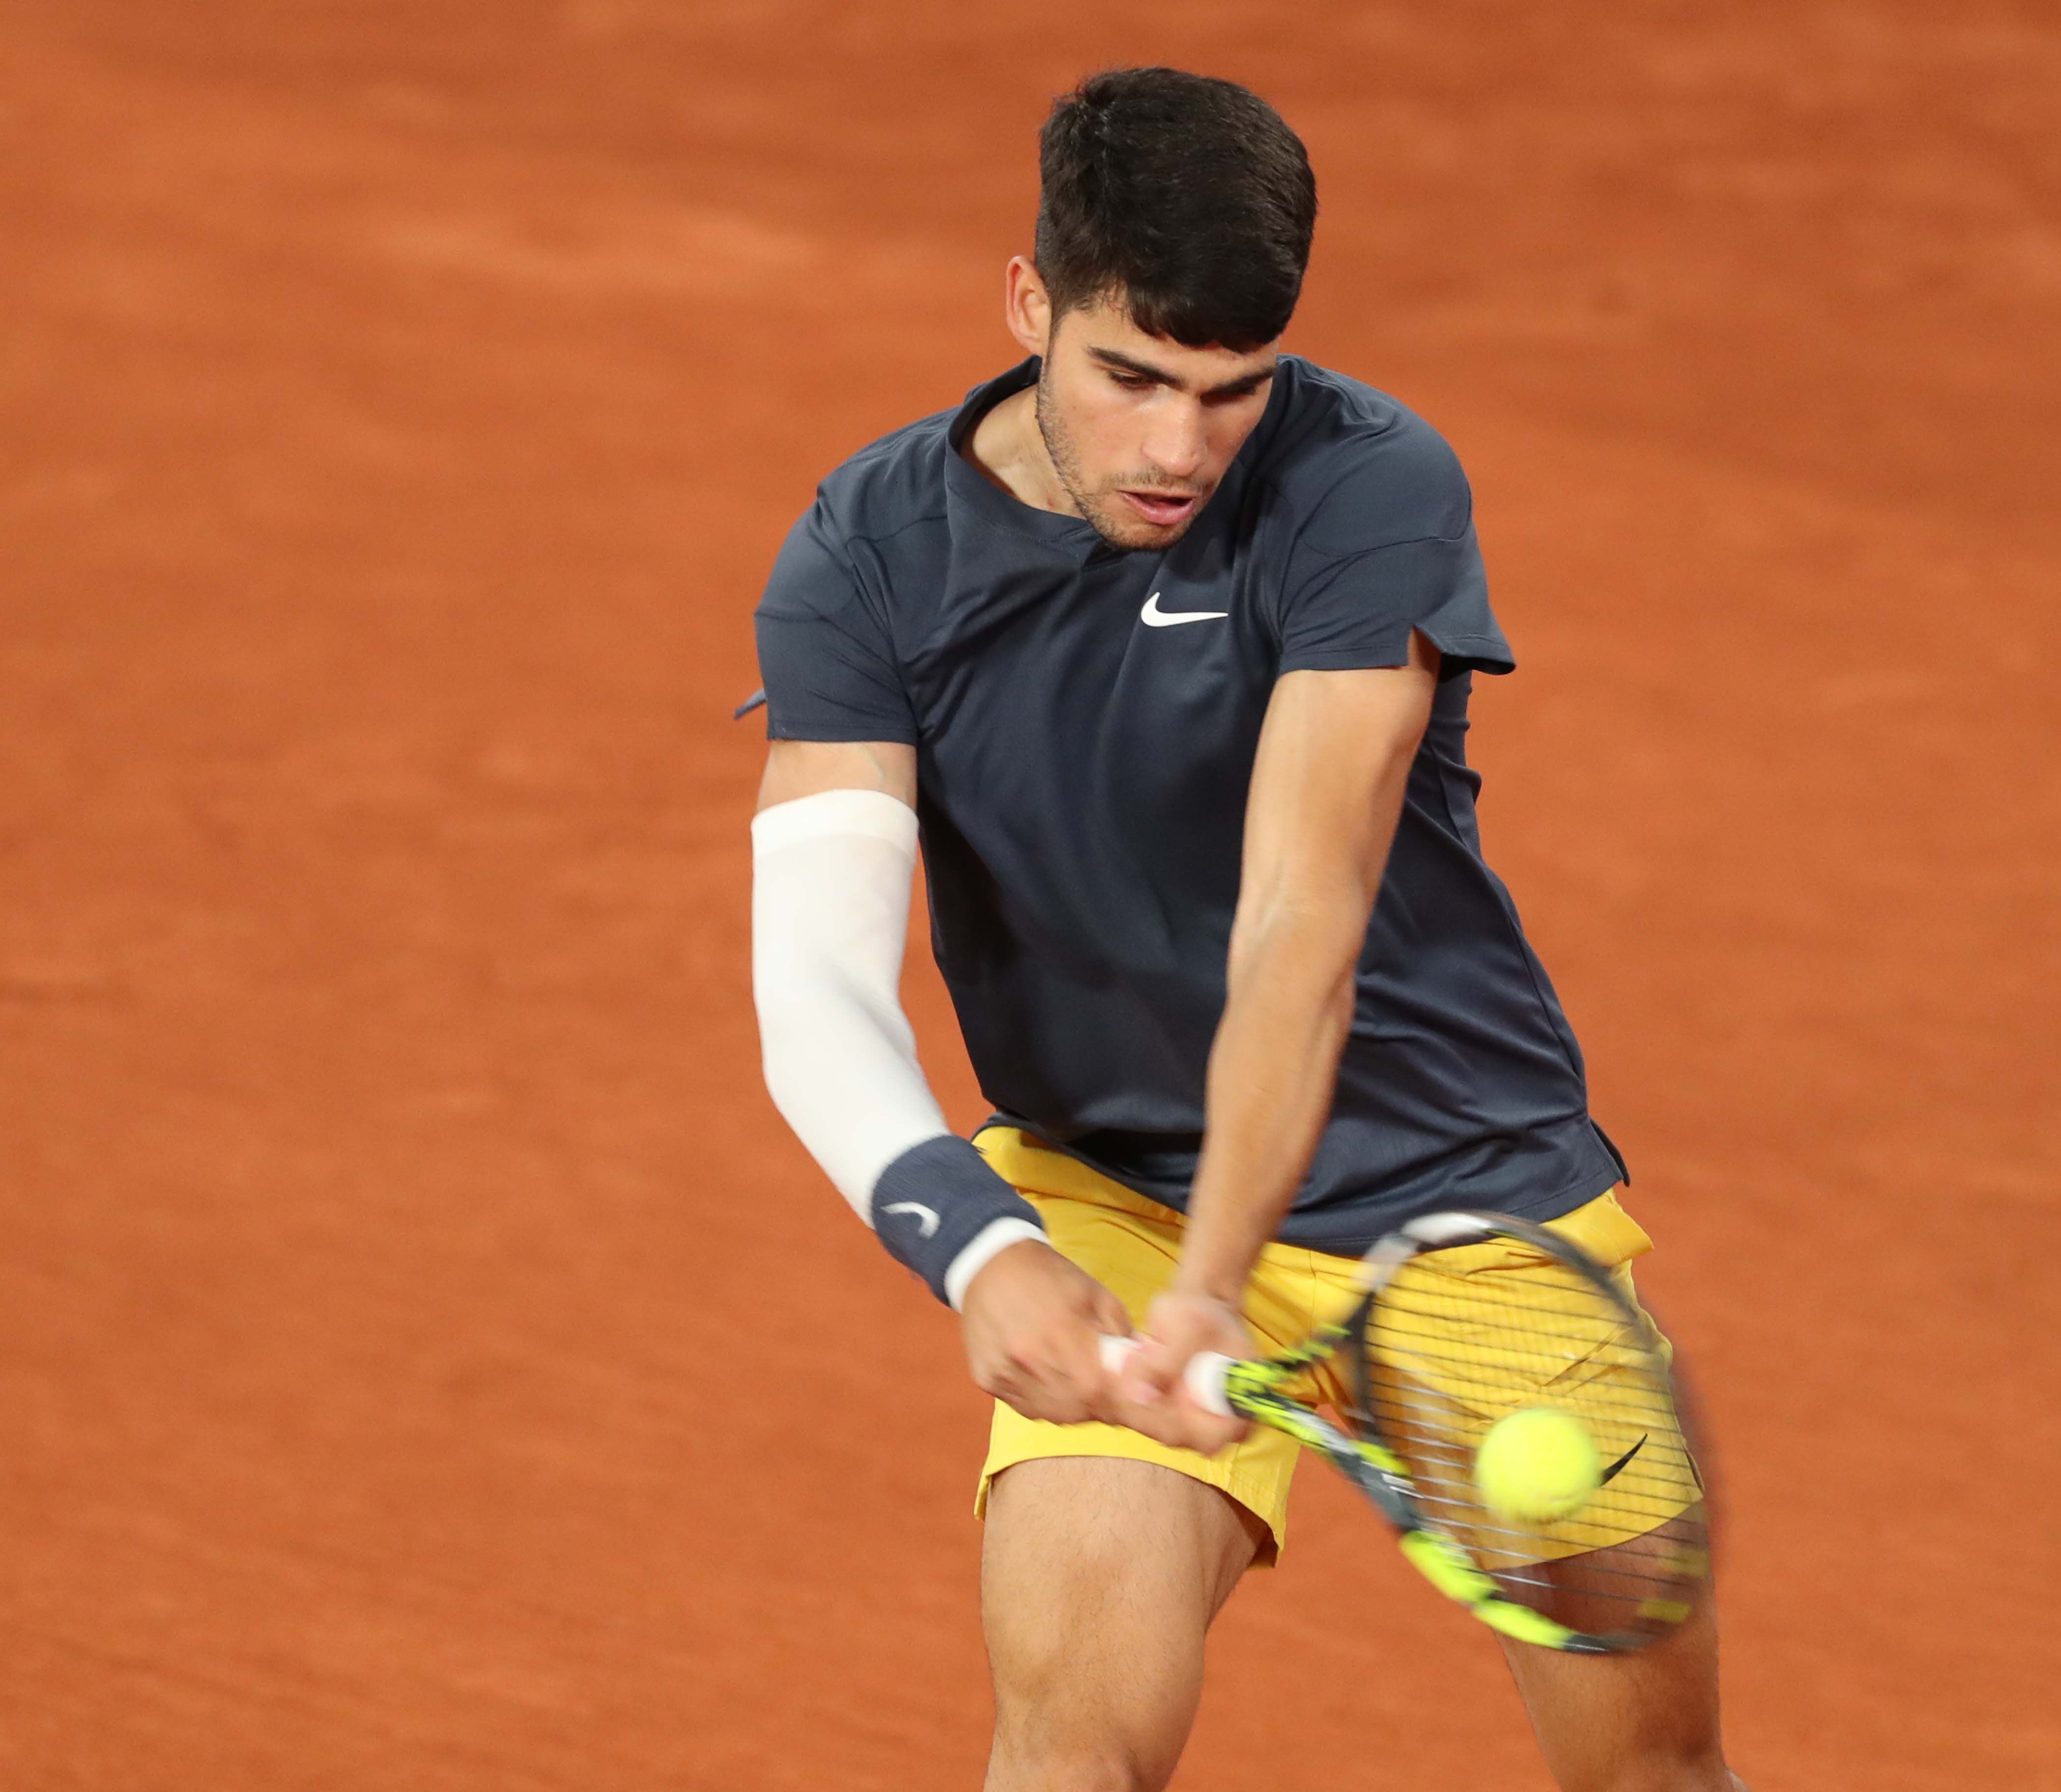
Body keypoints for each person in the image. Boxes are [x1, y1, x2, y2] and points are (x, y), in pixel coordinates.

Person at [744, 65, 1739, 1792]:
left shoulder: (1366, 486)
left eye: (1230, 393)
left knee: (1647, 1776)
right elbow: (816, 982)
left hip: (1461, 1201)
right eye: (1130, 376)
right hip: (1112, 1190)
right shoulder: (867, 554)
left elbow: (1302, 923)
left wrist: (1225, 1283)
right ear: (1027, 303)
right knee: (1071, 1754)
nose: (1178, 449)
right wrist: (979, 1244)